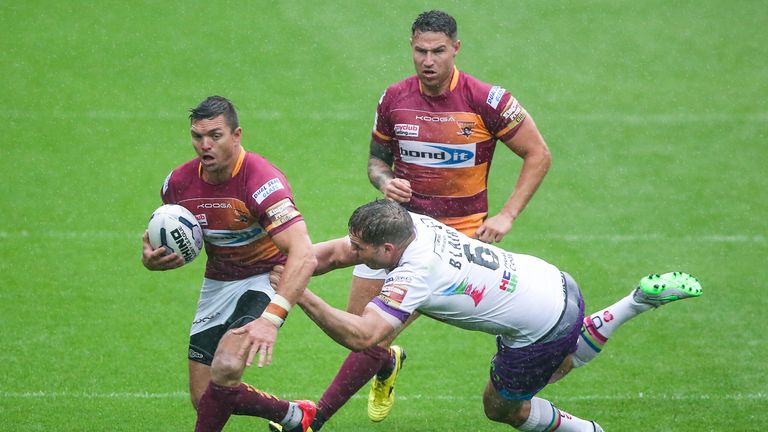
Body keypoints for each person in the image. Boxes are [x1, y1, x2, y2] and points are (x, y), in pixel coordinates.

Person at [298, 10, 553, 430]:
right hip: (393, 228)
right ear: (411, 48)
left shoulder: (487, 100)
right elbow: (376, 162)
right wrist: (385, 181)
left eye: (438, 51)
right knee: (360, 328)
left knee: (369, 335)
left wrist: (507, 215)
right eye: (420, 51)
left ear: (456, 49)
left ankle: (312, 419)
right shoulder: (394, 99)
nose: (428, 60)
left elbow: (538, 153)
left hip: (454, 239)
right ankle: (387, 363)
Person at [291, 199, 703, 431]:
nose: (353, 255)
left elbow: (365, 337)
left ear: (386, 250)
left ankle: (588, 430)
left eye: (361, 250)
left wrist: (299, 292)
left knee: (503, 406)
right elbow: (332, 253)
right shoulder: (408, 225)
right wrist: (265, 262)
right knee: (557, 356)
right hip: (553, 281)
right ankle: (634, 302)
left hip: (542, 327)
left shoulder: (417, 272)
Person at [141, 96, 318, 432]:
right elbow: (169, 231)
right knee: (205, 396)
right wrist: (152, 259)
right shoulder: (178, 184)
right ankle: (295, 416)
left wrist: (272, 318)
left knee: (225, 365)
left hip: (265, 277)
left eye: (215, 135)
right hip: (218, 282)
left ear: (237, 135)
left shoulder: (262, 182)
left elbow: (304, 253)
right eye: (197, 136)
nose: (204, 145)